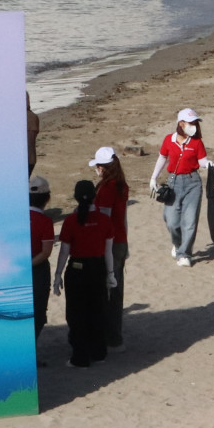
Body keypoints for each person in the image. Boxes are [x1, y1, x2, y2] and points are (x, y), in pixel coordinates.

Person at [52, 178, 116, 368]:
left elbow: (64, 251)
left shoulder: (71, 221)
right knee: (97, 310)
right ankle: (98, 352)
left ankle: (80, 356)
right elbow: (108, 251)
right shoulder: (104, 220)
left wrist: (57, 275)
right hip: (98, 269)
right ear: (95, 197)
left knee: (76, 314)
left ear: (76, 197)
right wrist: (111, 274)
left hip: (77, 270)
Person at [148, 109, 213, 267]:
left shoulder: (197, 142)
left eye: (195, 123)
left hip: (193, 182)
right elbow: (163, 157)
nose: (194, 126)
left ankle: (184, 254)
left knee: (190, 221)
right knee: (171, 221)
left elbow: (202, 159)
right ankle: (177, 245)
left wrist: (208, 164)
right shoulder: (169, 140)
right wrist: (153, 177)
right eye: (191, 123)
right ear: (181, 123)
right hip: (173, 182)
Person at [89, 146, 130, 349]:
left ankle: (110, 336)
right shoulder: (121, 185)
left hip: (109, 244)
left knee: (108, 291)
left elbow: (104, 221)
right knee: (115, 289)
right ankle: (113, 335)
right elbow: (122, 218)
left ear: (102, 168)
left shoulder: (107, 188)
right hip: (119, 241)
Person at [28, 173, 56, 363]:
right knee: (38, 312)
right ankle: (31, 351)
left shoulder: (16, 217)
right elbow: (46, 252)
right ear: (46, 198)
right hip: (36, 270)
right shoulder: (45, 222)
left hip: (16, 270)